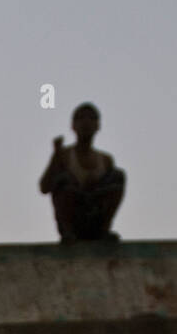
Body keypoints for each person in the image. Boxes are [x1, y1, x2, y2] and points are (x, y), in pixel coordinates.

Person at [39, 102, 125, 242]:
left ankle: (104, 231)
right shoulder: (64, 155)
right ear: (73, 126)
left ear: (98, 126)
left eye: (91, 118)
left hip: (95, 218)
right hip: (74, 221)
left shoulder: (105, 160)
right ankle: (69, 232)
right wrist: (55, 157)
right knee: (63, 179)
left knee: (118, 176)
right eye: (81, 118)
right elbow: (44, 188)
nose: (86, 122)